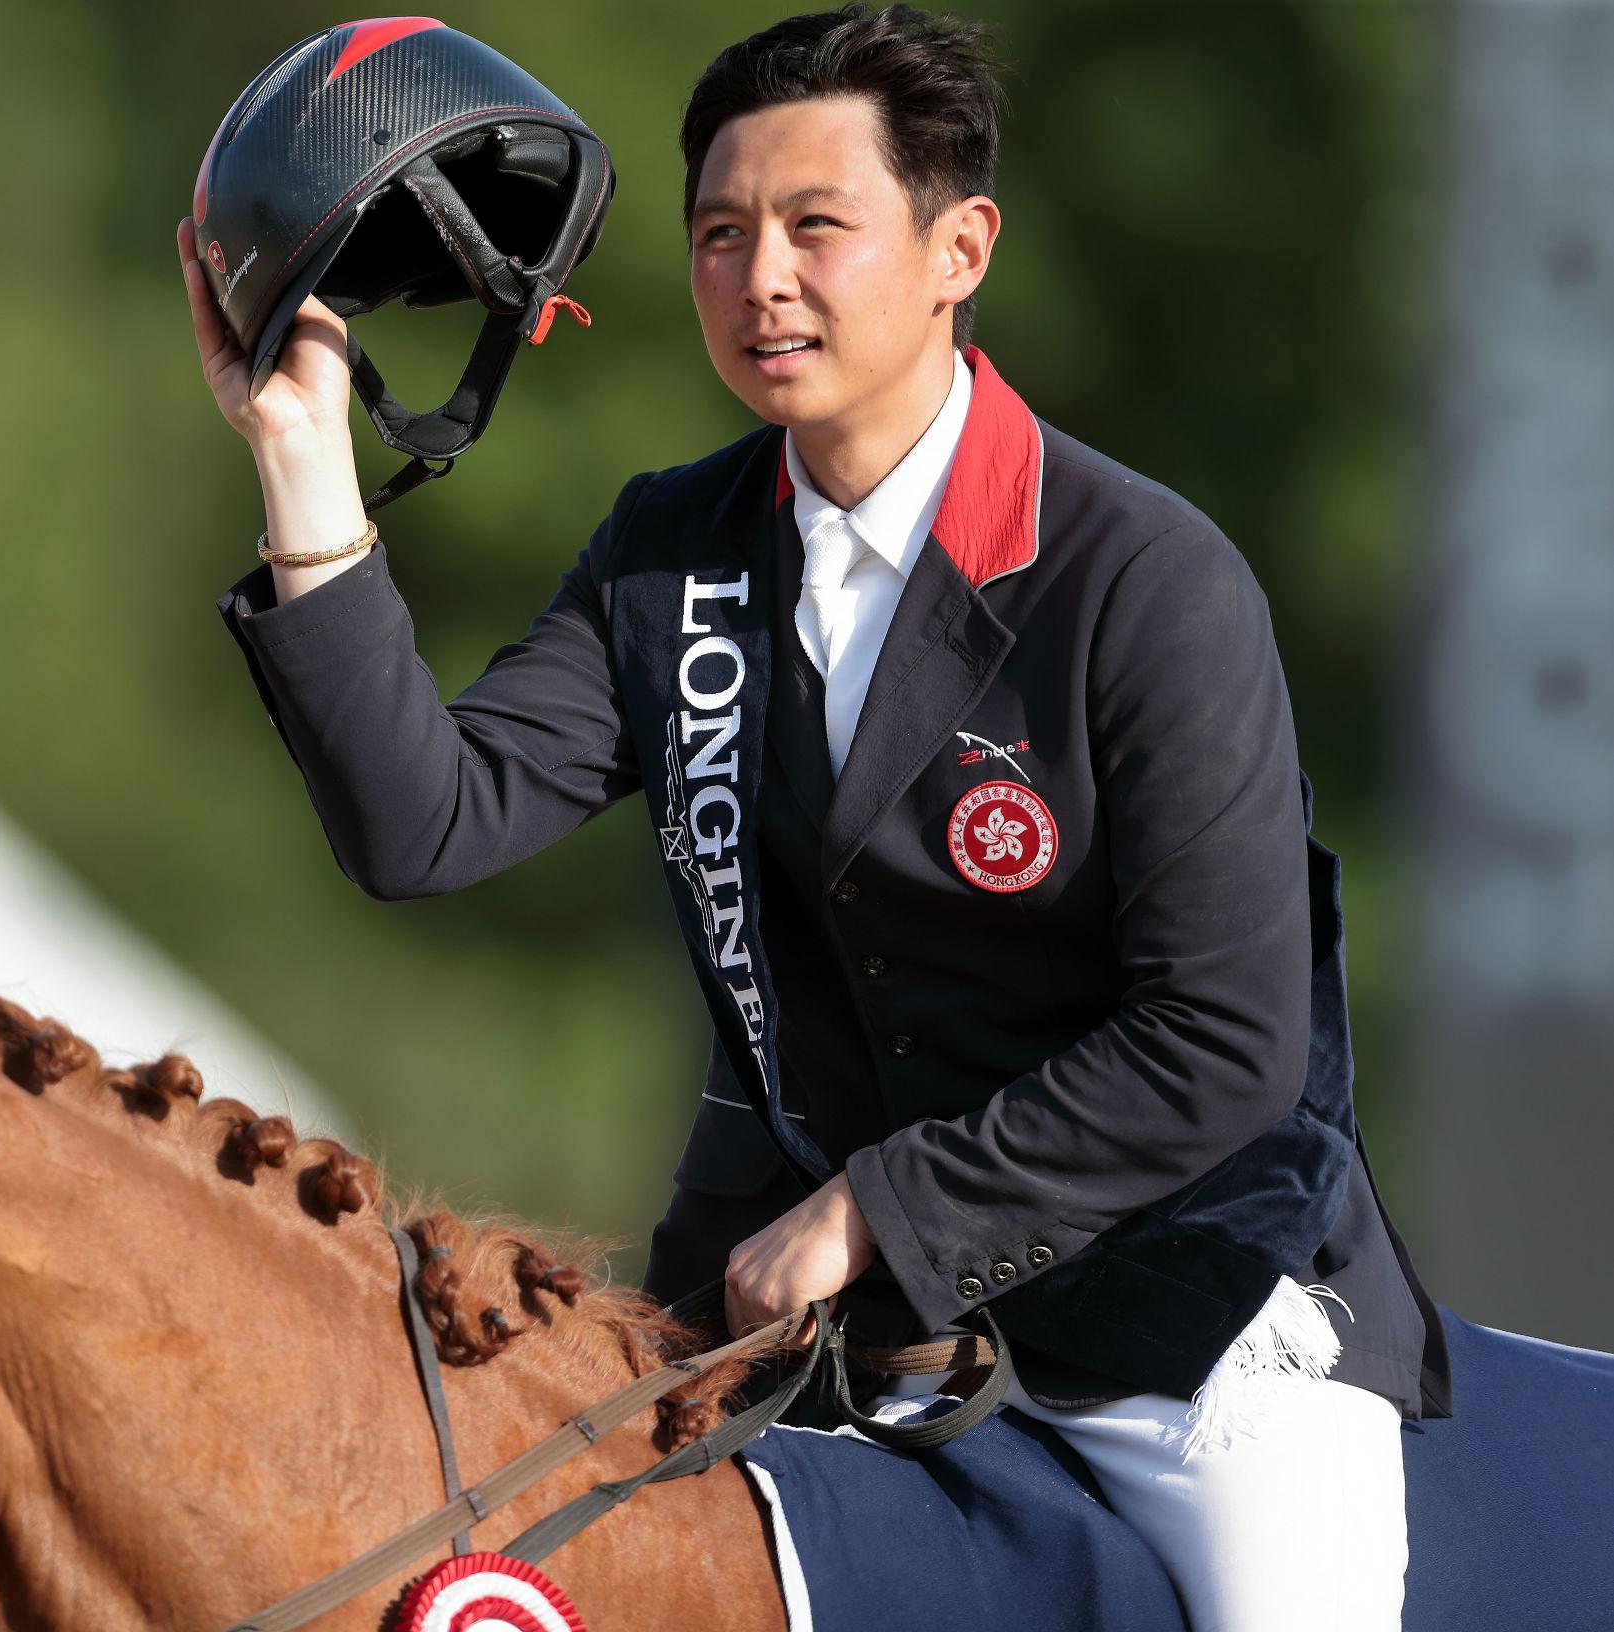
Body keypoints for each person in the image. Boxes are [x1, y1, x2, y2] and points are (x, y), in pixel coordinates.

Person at [178, 8, 1448, 1627]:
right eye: (720, 233)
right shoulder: (670, 547)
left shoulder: (1145, 577)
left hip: (1181, 1317)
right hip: (797, 1326)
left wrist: (877, 1210)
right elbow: (426, 824)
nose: (758, 275)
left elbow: (1222, 1036)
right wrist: (299, 459)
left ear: (956, 247)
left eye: (813, 226)